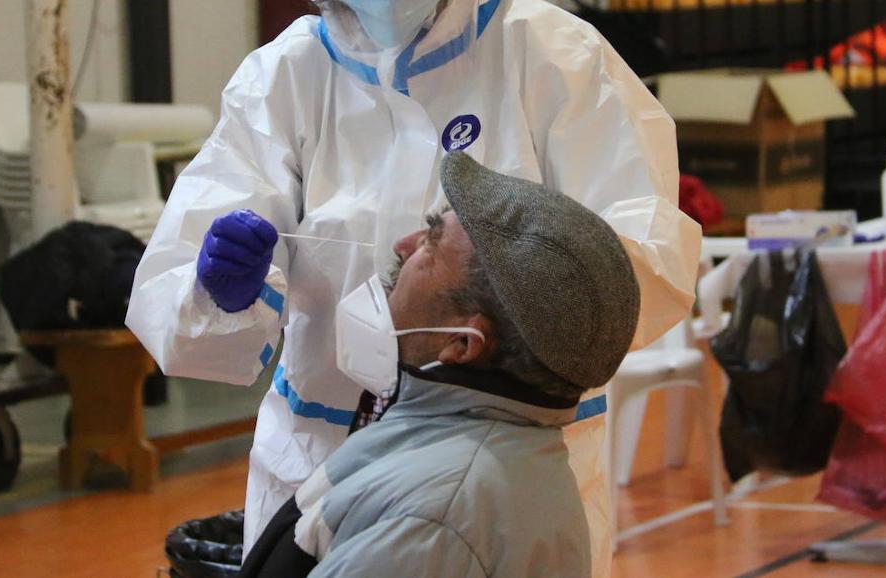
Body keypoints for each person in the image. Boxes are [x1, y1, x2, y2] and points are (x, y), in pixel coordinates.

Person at [125, 0, 702, 571]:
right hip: (323, 458)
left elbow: (643, 259)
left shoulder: (554, 56)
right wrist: (222, 293)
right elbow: (179, 303)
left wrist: (499, 325)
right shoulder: (286, 77)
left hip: (510, 457)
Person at [238, 153, 640, 578]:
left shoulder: (435, 521)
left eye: (431, 242)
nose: (403, 245)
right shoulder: (459, 443)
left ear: (463, 343)